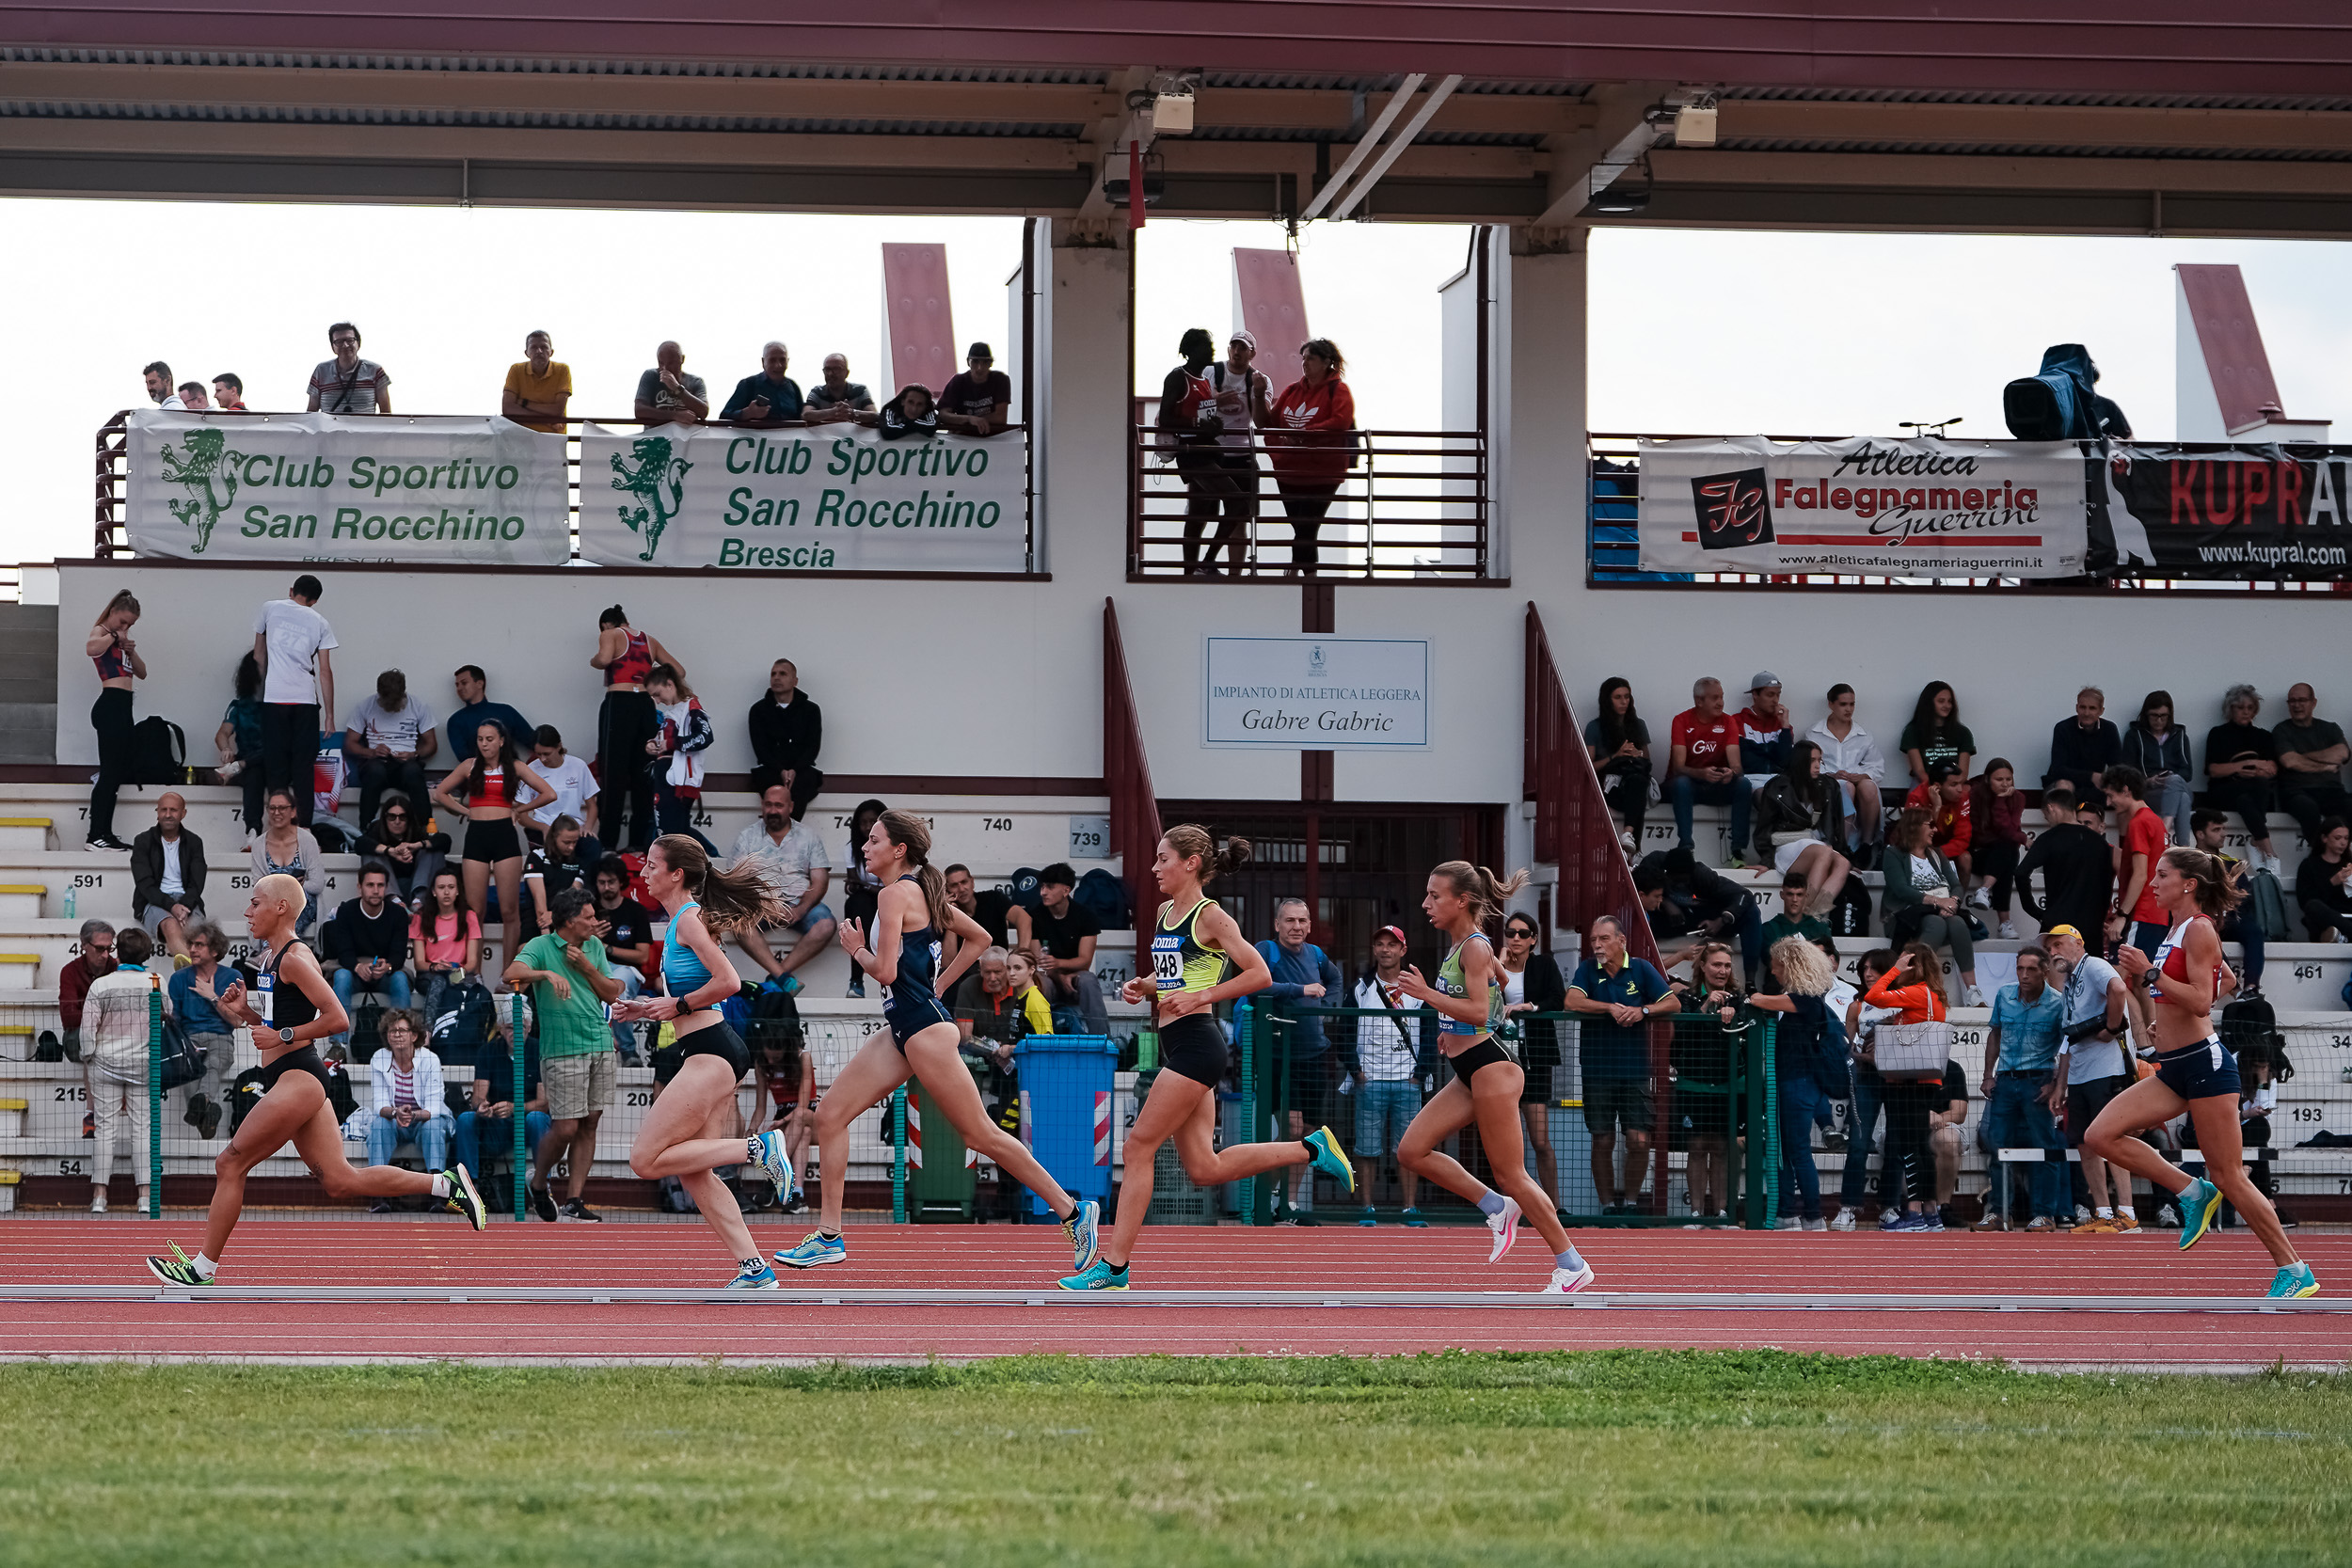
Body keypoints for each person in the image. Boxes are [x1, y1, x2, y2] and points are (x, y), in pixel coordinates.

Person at [766, 813, 1099, 1277]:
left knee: (980, 1135)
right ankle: (828, 1237)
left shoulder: (894, 894)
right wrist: (938, 985)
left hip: (923, 1030)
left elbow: (884, 972)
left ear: (899, 849)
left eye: (874, 840)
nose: (865, 847)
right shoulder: (921, 891)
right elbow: (981, 938)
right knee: (831, 1115)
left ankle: (1073, 1212)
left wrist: (856, 949)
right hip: (905, 1028)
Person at [144, 874, 486, 1286]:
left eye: (255, 903)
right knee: (341, 1181)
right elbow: (277, 1022)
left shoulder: (293, 958)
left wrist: (283, 1036)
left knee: (230, 1162)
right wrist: (246, 1013)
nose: (247, 912)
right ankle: (445, 1184)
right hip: (292, 1076)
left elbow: (337, 1018)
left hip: (300, 1077)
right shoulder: (269, 959)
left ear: (281, 908)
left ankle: (202, 1269)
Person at [1058, 827, 1343, 1290]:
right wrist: (1144, 985)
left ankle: (1114, 1266)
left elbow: (1259, 974)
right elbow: (1175, 976)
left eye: (1163, 859)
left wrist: (1201, 997)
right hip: (1179, 1042)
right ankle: (1312, 1148)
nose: (1155, 868)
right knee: (1204, 1167)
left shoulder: (1211, 916)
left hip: (1197, 1045)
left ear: (1190, 863)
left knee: (1136, 1148)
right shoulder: (1165, 912)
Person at [2086, 848, 2316, 1296]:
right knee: (2100, 1136)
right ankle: (2192, 1192)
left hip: (2204, 1066)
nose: (2153, 883)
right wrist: (2165, 1018)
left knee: (2228, 1174)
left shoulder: (2200, 928)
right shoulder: (2177, 929)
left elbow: (2200, 1001)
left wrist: (2151, 973)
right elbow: (2223, 980)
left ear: (2188, 884)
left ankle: (2294, 1269)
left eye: (2162, 875)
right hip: (2174, 1067)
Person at [1390, 864, 1597, 1291]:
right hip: (1470, 1066)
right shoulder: (1463, 946)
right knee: (1411, 1151)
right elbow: (1500, 981)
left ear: (1461, 900)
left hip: (1492, 1067)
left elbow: (1481, 1010)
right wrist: (1453, 1028)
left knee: (1512, 1175)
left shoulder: (1474, 947)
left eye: (1434, 896)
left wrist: (1428, 996)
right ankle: (1496, 1208)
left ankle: (1572, 1265)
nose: (1426, 904)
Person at [609, 835, 795, 1284]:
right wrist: (646, 1008)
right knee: (695, 1173)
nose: (643, 873)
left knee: (645, 1160)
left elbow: (729, 982)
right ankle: (754, 1267)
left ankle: (758, 1148)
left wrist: (677, 1005)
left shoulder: (690, 920)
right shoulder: (682, 921)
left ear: (677, 874)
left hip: (711, 1051)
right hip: (710, 1048)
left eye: (652, 865)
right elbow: (691, 993)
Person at [503, 887, 623, 1223]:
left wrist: (586, 967)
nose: (595, 922)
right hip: (561, 1049)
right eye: (589, 917)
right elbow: (509, 975)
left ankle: (574, 1200)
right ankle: (538, 1182)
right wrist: (545, 973)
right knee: (566, 1127)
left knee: (590, 1122)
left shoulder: (594, 946)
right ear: (570, 921)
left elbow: (612, 994)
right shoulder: (540, 946)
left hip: (599, 1041)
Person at [1565, 913, 1678, 1215]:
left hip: (1635, 1068)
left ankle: (1629, 1204)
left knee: (1639, 1141)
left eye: (1604, 939)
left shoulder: (1641, 968)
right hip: (1596, 1069)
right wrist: (1609, 1008)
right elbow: (1571, 1001)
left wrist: (1643, 1010)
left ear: (1622, 941)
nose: (1597, 945)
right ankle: (1607, 1208)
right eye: (1593, 940)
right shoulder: (1587, 969)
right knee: (1602, 1140)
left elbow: (1673, 1003)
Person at [430, 720, 555, 975]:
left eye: (489, 739)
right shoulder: (469, 765)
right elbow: (440, 793)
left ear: (501, 741)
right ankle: (474, 972)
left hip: (504, 836)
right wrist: (466, 811)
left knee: (509, 910)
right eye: (480, 739)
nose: (484, 744)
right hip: (476, 835)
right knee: (475, 911)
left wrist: (519, 810)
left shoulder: (515, 766)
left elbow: (549, 793)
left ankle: (507, 973)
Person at [1255, 897, 1344, 1221]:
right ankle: (1265, 1198)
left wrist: (1326, 1008)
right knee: (1291, 1129)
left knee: (1308, 1132)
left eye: (1302, 921)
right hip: (1279, 1054)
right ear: (1277, 925)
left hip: (1315, 1054)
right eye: (1289, 921)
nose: (1296, 927)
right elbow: (1257, 985)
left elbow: (1335, 981)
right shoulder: (1266, 950)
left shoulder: (1317, 954)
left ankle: (1288, 1206)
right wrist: (1300, 990)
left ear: (1309, 925)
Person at [2042, 925, 2137, 1233]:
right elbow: (2070, 1039)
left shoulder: (2093, 965)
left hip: (2106, 1070)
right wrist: (2062, 1083)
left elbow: (2118, 989)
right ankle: (2104, 1212)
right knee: (2085, 1143)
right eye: (2049, 948)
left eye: (2058, 944)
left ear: (2078, 943)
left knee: (2110, 1139)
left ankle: (2127, 1212)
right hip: (2082, 1074)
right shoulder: (2071, 981)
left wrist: (2112, 1027)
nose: (2053, 952)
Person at [1343, 923, 1436, 1224]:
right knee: (1366, 1148)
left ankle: (1409, 1208)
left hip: (1408, 1081)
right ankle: (1366, 1208)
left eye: (1392, 944)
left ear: (1403, 950)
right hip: (1370, 1081)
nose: (1386, 950)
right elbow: (1344, 1033)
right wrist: (1357, 1072)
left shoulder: (1418, 989)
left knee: (1409, 1150)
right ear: (1374, 949)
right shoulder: (1360, 989)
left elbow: (1432, 1032)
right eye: (1380, 944)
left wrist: (1420, 1074)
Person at [1749, 937, 1843, 1230]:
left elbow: (1759, 1000)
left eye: (1777, 966)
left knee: (1798, 1152)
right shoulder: (1806, 998)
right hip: (1797, 1082)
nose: (1773, 971)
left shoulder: (1806, 999)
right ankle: (1788, 1211)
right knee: (1789, 1151)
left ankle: (1813, 1216)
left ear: (1790, 966)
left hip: (1797, 1083)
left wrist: (1751, 997)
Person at [1862, 942, 1952, 1231]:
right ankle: (1930, 1212)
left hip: (1908, 1079)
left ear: (1915, 965)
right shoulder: (1931, 995)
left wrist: (1893, 971)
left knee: (1909, 1146)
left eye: (1903, 963)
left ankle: (1914, 1214)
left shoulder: (1918, 992)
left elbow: (1874, 996)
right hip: (1922, 1078)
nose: (1898, 967)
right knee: (1920, 1146)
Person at [1976, 947, 2066, 1231]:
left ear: (2045, 972)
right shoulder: (2005, 995)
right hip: (2005, 1079)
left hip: (2039, 1080)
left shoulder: (2058, 1003)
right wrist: (1988, 1075)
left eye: (2031, 969)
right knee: (1998, 1146)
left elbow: (2067, 1047)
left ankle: (2045, 1214)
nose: (2024, 975)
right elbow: (1995, 1033)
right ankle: (2000, 1212)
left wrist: (2056, 1084)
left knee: (2045, 1147)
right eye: (2020, 969)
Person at [81, 926, 166, 1213]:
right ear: (147, 954)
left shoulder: (101, 985)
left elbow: (87, 1031)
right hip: (145, 1064)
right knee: (143, 1130)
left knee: (105, 1130)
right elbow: (168, 1014)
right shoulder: (157, 981)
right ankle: (145, 1196)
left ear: (117, 951)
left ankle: (99, 1197)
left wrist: (89, 1057)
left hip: (105, 1063)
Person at [727, 784, 837, 990]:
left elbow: (820, 880)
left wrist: (800, 910)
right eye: (768, 805)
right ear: (762, 805)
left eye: (779, 805)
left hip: (799, 904)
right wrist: (763, 905)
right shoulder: (747, 837)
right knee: (737, 922)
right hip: (760, 905)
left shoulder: (808, 836)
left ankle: (777, 977)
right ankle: (783, 979)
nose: (772, 810)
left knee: (826, 925)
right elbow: (735, 880)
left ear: (791, 807)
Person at [1263, 336, 1356, 574]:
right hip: (1289, 472)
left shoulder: (1339, 390)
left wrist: (1306, 434)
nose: (1305, 363)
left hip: (1323, 472)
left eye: (1311, 358)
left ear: (1326, 362)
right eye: (1303, 358)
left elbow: (1340, 421)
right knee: (1302, 527)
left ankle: (1300, 574)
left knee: (1306, 526)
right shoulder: (1292, 390)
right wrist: (1277, 451)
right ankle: (1306, 575)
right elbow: (1271, 422)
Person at [1665, 940, 1743, 1223]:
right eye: (1717, 965)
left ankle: (1722, 1213)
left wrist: (1732, 1017)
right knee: (1697, 1148)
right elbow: (1681, 1036)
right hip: (1692, 1084)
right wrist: (1706, 1006)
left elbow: (1746, 1038)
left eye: (1727, 966)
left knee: (1722, 1149)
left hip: (1726, 1085)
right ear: (1703, 966)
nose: (1723, 971)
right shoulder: (1686, 997)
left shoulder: (1739, 999)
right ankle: (1696, 1213)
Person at [1158, 328, 1246, 575]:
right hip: (1191, 453)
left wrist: (1213, 425)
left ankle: (1190, 572)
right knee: (1238, 502)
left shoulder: (1204, 381)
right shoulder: (1178, 377)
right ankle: (1207, 561)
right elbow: (1165, 418)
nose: (1212, 350)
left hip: (1206, 450)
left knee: (1198, 514)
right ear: (1192, 350)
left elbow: (1203, 415)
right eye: (1206, 346)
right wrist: (1198, 425)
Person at [251, 575, 336, 829]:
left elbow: (258, 656)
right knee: (303, 769)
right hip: (305, 701)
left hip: (274, 699)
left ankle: (277, 826)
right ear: (314, 601)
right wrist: (329, 715)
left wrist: (261, 694)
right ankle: (304, 828)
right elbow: (325, 671)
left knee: (275, 768)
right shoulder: (321, 622)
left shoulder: (269, 608)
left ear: (291, 590)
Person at [1499, 911, 1567, 1212]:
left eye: (1523, 934)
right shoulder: (1494, 965)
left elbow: (1558, 998)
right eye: (1510, 932)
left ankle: (1553, 1207)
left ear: (1533, 939)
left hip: (1535, 1057)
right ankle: (1508, 1208)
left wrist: (1529, 1007)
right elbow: (1480, 996)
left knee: (1540, 1140)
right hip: (1501, 1058)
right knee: (1505, 1143)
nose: (1516, 938)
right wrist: (1499, 964)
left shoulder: (1544, 964)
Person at [1880, 806, 1983, 1007]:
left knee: (1957, 922)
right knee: (1936, 923)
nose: (1935, 830)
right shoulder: (1893, 853)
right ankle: (1911, 983)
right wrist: (1937, 902)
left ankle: (1972, 991)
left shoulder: (1937, 854)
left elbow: (1956, 885)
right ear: (1914, 827)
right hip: (1905, 917)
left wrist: (1952, 902)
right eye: (1931, 825)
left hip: (1940, 911)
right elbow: (1901, 889)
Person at [587, 606, 671, 851]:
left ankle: (608, 844)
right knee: (643, 774)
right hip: (645, 704)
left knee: (613, 772)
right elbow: (678, 670)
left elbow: (603, 659)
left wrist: (593, 660)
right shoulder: (649, 640)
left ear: (606, 625)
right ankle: (638, 843)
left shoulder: (610, 634)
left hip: (619, 702)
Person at [1828, 948, 1899, 1231]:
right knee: (1858, 1143)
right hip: (1867, 1077)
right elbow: (1847, 1046)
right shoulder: (1857, 1005)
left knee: (1895, 1142)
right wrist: (1861, 1056)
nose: (1868, 974)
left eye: (1875, 969)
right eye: (1864, 969)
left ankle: (1889, 1206)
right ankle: (1848, 1207)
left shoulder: (1902, 1001)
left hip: (1898, 1079)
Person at [453, 1012, 551, 1211]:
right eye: (509, 1028)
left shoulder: (540, 1050)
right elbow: (477, 1098)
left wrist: (514, 1107)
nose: (515, 1033)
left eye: (521, 1028)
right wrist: (482, 1107)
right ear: (500, 1029)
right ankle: (469, 1188)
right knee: (466, 1118)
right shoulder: (488, 1051)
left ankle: (543, 1187)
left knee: (537, 1118)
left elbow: (544, 1103)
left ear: (529, 1028)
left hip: (528, 1125)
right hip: (497, 1124)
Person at [1635, 846, 1764, 985]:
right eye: (1675, 881)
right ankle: (1640, 965)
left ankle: (1750, 982)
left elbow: (1744, 895)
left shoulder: (1704, 875)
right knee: (1641, 911)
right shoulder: (1654, 863)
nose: (1680, 885)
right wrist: (1666, 902)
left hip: (1700, 916)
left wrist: (1721, 920)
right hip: (1663, 916)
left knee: (1750, 911)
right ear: (1666, 873)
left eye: (1684, 881)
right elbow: (1638, 887)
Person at [1753, 740, 1850, 914]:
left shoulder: (1828, 785)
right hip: (1787, 845)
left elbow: (1835, 825)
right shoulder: (1777, 786)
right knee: (1824, 852)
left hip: (1816, 844)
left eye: (1819, 760)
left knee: (1843, 863)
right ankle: (1806, 914)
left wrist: (1843, 851)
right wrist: (1766, 861)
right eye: (1812, 761)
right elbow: (1764, 827)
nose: (1817, 766)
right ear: (1800, 761)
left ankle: (1812, 914)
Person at [84, 589, 146, 851]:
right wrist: (113, 636)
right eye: (123, 622)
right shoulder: (102, 631)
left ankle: (105, 833)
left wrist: (130, 651)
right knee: (109, 773)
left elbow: (142, 673)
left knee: (116, 773)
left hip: (123, 707)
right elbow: (91, 648)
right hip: (110, 704)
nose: (125, 628)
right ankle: (95, 834)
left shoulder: (121, 640)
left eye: (130, 625)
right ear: (112, 613)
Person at [364, 1006, 454, 1185]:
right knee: (379, 1124)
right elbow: (379, 1104)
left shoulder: (430, 1059)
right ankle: (377, 1185)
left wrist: (413, 1115)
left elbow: (434, 1108)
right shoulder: (379, 1058)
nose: (397, 1035)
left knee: (433, 1126)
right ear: (387, 1036)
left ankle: (437, 1184)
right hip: (396, 1121)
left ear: (414, 1036)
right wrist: (395, 1112)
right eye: (392, 1031)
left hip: (424, 1121)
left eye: (402, 1030)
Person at [1014, 863, 1108, 1035]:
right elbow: (1037, 961)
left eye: (1049, 887)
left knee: (1088, 981)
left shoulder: (1085, 916)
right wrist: (1060, 976)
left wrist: (1059, 965)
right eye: (1042, 887)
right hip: (1048, 977)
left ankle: (1103, 1041)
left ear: (1066, 890)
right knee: (1037, 984)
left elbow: (1085, 961)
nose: (1043, 892)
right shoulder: (1035, 916)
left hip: (1075, 977)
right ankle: (1039, 1040)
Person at [1667, 676, 1752, 865]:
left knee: (1744, 784)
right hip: (1691, 785)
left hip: (1716, 785)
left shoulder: (1728, 721)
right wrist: (1702, 773)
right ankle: (1686, 847)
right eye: (1715, 698)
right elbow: (1678, 767)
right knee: (1681, 783)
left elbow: (1737, 766)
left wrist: (1730, 773)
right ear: (1699, 701)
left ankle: (1738, 852)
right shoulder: (1681, 720)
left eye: (1722, 697)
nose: (1721, 702)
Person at [2185, 810, 2269, 996]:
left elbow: (2245, 895)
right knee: (2206, 935)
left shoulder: (2231, 862)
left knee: (2253, 931)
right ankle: (2235, 990)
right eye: (2216, 830)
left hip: (2229, 918)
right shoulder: (2188, 863)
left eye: (2223, 829)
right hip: (2202, 920)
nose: (2223, 834)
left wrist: (2230, 900)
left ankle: (2251, 988)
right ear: (2200, 834)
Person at [342, 669, 437, 832]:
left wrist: (414, 754)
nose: (391, 706)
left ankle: (426, 829)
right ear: (379, 694)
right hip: (377, 762)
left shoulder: (418, 706)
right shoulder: (366, 706)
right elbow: (350, 744)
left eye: (395, 702)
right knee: (374, 772)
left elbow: (432, 745)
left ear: (403, 693)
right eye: (387, 702)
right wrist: (371, 752)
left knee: (413, 772)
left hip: (406, 764)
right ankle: (366, 829)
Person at [167, 920, 237, 1140]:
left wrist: (213, 996)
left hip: (221, 1036)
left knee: (213, 1064)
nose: (192, 949)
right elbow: (176, 1019)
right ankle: (207, 1114)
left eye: (199, 945)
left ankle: (203, 1104)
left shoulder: (232, 977)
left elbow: (237, 1020)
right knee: (189, 1075)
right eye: (191, 944)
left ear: (215, 950)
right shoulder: (178, 979)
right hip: (189, 1038)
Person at [2016, 784, 2114, 941]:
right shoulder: (2099, 842)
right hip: (2090, 924)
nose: (2048, 820)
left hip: (2058, 922)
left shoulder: (2049, 839)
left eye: (2046, 816)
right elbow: (2107, 883)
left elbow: (2021, 873)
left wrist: (2035, 911)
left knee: (2054, 957)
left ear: (2051, 808)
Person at [324, 863, 412, 1033]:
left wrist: (388, 966)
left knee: (400, 979)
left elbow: (399, 954)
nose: (376, 890)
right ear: (360, 887)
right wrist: (357, 967)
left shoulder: (398, 913)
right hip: (354, 972)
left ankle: (402, 1038)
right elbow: (344, 952)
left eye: (380, 885)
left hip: (384, 974)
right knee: (341, 976)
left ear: (386, 887)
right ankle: (338, 1043)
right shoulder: (346, 911)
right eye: (370, 885)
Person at [2204, 684, 2281, 873]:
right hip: (2223, 790)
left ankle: (2257, 840)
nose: (2246, 712)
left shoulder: (2263, 736)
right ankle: (2268, 850)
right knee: (2252, 789)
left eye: (2250, 708)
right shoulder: (2218, 734)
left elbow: (2272, 769)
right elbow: (2213, 770)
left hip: (2252, 793)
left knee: (2247, 797)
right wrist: (2243, 765)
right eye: (2240, 707)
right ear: (2230, 709)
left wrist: (2254, 772)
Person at [1808, 683, 1886, 863]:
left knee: (1868, 786)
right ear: (1831, 704)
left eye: (1852, 704)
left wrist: (1862, 776)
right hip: (1827, 783)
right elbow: (1809, 763)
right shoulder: (1815, 733)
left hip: (1854, 782)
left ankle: (1867, 844)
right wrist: (1831, 775)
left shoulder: (1863, 734)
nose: (1849, 709)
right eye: (1843, 704)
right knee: (1846, 787)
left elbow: (1876, 766)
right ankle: (1842, 845)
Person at [590, 856, 659, 1055]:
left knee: (617, 991)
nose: (606, 887)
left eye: (611, 882)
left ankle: (628, 1050)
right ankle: (597, 1047)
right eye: (601, 882)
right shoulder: (589, 911)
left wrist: (606, 947)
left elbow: (642, 956)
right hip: (593, 967)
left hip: (627, 970)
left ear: (621, 881)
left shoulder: (635, 911)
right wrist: (591, 939)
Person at [2104, 766, 2171, 959]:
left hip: (2141, 913)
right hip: (2156, 914)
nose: (2108, 802)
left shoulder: (2139, 822)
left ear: (2126, 790)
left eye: (2111, 795)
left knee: (2120, 973)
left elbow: (2141, 875)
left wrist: (2122, 915)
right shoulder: (2155, 821)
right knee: (2142, 974)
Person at [643, 664, 713, 847]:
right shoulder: (672, 713)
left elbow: (705, 736)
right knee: (669, 835)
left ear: (670, 684)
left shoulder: (691, 707)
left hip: (678, 783)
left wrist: (672, 744)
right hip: (665, 777)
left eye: (657, 694)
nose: (657, 700)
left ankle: (707, 856)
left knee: (671, 838)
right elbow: (666, 740)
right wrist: (652, 744)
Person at [130, 791, 206, 962]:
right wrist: (172, 906)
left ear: (183, 813)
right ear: (157, 812)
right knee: (171, 926)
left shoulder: (194, 842)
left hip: (187, 902)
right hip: (154, 901)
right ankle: (198, 972)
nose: (168, 814)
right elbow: (145, 883)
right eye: (163, 810)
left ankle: (190, 970)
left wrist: (184, 906)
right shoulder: (143, 841)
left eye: (173, 810)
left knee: (198, 933)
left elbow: (197, 882)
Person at [2274, 684, 2350, 851]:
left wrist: (2301, 755)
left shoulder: (2330, 728)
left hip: (2331, 790)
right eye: (2292, 701)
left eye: (2302, 700)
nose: (2296, 705)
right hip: (2296, 792)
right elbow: (2289, 762)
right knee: (2308, 810)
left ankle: (2344, 858)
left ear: (2313, 702)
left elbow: (2343, 753)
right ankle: (2321, 857)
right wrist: (2325, 766)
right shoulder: (2282, 730)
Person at [746, 657, 824, 817]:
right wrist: (780, 770)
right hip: (771, 769)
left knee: (804, 781)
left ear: (795, 681)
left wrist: (794, 770)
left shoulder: (811, 710)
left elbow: (813, 747)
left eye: (782, 674)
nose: (776, 678)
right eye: (773, 674)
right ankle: (775, 826)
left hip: (801, 770)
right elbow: (760, 749)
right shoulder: (758, 710)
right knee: (770, 785)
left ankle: (792, 827)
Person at [1585, 676, 1653, 854]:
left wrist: (1636, 754)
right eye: (1618, 697)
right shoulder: (1595, 727)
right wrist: (1616, 756)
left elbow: (1647, 760)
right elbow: (1589, 767)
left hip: (1633, 781)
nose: (1624, 702)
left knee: (1639, 781)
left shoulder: (1638, 725)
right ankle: (1636, 850)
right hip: (1609, 785)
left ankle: (1628, 833)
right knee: (1637, 788)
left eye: (1627, 697)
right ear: (1607, 700)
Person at [408, 867, 483, 1026]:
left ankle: (466, 1032)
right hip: (430, 974)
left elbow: (472, 963)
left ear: (457, 891)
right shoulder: (420, 917)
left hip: (459, 972)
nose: (447, 892)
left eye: (451, 887)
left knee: (469, 986)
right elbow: (419, 963)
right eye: (441, 887)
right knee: (439, 982)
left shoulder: (469, 916)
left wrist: (456, 971)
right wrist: (435, 967)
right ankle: (428, 1031)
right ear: (434, 892)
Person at [2122, 689, 2195, 847]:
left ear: (2170, 715)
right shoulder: (2134, 736)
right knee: (2183, 798)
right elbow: (2127, 771)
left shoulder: (2179, 736)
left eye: (2163, 716)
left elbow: (2187, 772)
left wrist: (2169, 778)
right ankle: (2183, 848)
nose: (2159, 720)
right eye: (2154, 716)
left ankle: (2164, 830)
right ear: (2146, 715)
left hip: (2173, 785)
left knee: (2175, 781)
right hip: (2148, 790)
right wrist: (2148, 780)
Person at [1966, 759, 2028, 938]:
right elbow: (1978, 835)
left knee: (2008, 852)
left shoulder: (2017, 798)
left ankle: (1984, 889)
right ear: (1987, 779)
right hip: (1977, 853)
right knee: (2008, 852)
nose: (2005, 784)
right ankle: (2004, 923)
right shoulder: (1975, 796)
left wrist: (2000, 801)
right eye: (1999, 779)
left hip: (2000, 853)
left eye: (2009, 779)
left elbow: (2008, 830)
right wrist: (2022, 838)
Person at [250, 788, 325, 936]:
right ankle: (280, 947)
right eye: (272, 808)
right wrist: (292, 883)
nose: (277, 812)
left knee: (290, 903)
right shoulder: (259, 844)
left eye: (282, 808)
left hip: (302, 902)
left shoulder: (307, 840)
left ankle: (275, 947)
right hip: (272, 904)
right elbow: (258, 885)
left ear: (293, 812)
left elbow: (317, 884)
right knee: (271, 909)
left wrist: (287, 887)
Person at [837, 799, 889, 998]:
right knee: (857, 904)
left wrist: (866, 886)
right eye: (863, 823)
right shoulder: (852, 848)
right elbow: (853, 884)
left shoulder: (893, 847)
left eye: (872, 821)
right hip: (867, 901)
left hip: (893, 897)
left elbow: (892, 884)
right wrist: (869, 887)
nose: (867, 827)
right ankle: (856, 980)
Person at [356, 796, 449, 905]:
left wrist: (417, 845)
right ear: (385, 818)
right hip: (388, 886)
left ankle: (419, 901)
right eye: (392, 817)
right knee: (371, 852)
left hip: (417, 883)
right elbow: (359, 844)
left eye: (402, 817)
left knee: (432, 848)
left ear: (409, 819)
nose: (397, 821)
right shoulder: (377, 829)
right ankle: (394, 900)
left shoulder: (417, 830)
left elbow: (445, 841)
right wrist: (389, 851)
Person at [214, 650, 267, 839]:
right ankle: (253, 831)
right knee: (254, 773)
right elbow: (222, 734)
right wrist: (226, 748)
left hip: (277, 763)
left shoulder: (279, 706)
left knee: (276, 749)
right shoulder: (239, 706)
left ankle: (238, 766)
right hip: (252, 763)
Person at [526, 726, 600, 862]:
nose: (543, 759)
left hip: (573, 828)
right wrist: (543, 828)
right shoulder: (531, 769)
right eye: (538, 754)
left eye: (547, 754)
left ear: (559, 746)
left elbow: (592, 805)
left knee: (592, 847)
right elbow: (521, 815)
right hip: (544, 828)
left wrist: (588, 828)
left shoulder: (578, 766)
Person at [524, 815, 598, 935]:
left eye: (575, 842)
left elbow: (572, 896)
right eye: (566, 842)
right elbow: (539, 896)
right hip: (536, 919)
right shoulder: (537, 857)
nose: (571, 847)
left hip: (564, 920)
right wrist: (545, 930)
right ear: (554, 837)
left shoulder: (578, 863)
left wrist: (554, 915)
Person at [2044, 687, 2122, 800]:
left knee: (2121, 791)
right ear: (2077, 708)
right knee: (2064, 787)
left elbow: (2117, 766)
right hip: (2065, 783)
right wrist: (2091, 776)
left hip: (2095, 785)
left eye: (2092, 708)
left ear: (2101, 711)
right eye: (2083, 707)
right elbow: (2058, 770)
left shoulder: (2109, 729)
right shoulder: (2063, 728)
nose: (2086, 713)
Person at [444, 664, 532, 761]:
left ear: (479, 684)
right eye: (457, 685)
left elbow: (533, 741)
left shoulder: (505, 711)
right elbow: (463, 757)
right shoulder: (455, 721)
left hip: (510, 768)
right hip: (477, 769)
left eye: (464, 683)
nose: (459, 688)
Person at [57, 918, 117, 1063]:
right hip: (88, 1034)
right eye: (100, 948)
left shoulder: (116, 968)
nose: (105, 955)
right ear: (84, 944)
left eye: (109, 948)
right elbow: (69, 1018)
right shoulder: (70, 971)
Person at [1899, 680, 1975, 792]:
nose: (1947, 705)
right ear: (1929, 703)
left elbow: (1963, 773)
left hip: (1955, 785)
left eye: (1950, 701)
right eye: (1941, 701)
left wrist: (1950, 788)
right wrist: (1939, 789)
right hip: (1925, 783)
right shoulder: (1912, 731)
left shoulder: (1963, 733)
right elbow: (1919, 771)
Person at [306, 322, 390, 414]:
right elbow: (311, 413)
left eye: (350, 340)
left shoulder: (375, 371)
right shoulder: (321, 371)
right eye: (339, 342)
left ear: (358, 343)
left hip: (364, 424)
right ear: (332, 347)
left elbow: (386, 413)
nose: (345, 345)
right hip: (330, 424)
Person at [501, 329, 570, 433]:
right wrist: (547, 420)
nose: (539, 351)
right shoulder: (516, 370)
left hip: (553, 436)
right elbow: (507, 409)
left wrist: (524, 403)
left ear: (551, 352)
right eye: (534, 347)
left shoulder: (562, 370)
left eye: (544, 347)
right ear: (526, 353)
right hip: (521, 435)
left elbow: (557, 410)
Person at [721, 341, 804, 426]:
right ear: (763, 362)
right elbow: (724, 415)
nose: (778, 365)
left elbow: (803, 418)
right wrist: (747, 413)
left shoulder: (793, 387)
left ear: (788, 361)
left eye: (782, 360)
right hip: (755, 435)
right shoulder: (749, 385)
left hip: (789, 434)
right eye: (772, 360)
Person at [938, 341, 1013, 436]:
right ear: (968, 362)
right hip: (963, 438)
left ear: (991, 364)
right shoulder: (958, 381)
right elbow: (943, 414)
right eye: (975, 361)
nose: (979, 368)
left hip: (992, 438)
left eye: (985, 362)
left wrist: (967, 422)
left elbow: (1001, 418)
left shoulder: (1000, 380)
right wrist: (970, 419)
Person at [2296, 817, 2352, 942]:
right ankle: (2339, 935)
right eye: (2338, 838)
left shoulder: (2348, 865)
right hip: (2324, 921)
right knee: (2313, 906)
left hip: (2348, 916)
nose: (2343, 843)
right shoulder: (2309, 865)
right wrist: (2332, 883)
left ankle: (2343, 936)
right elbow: (2305, 901)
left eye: (2346, 838)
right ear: (2324, 838)